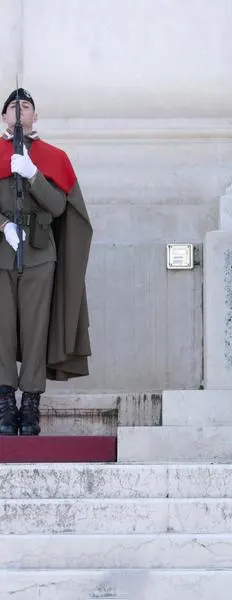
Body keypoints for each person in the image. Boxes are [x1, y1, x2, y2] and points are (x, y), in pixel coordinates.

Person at [0, 88, 92, 437]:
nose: (19, 112)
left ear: (35, 117)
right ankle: (5, 401)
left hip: (40, 252)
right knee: (3, 328)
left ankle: (31, 402)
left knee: (37, 329)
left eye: (26, 107)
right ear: (4, 117)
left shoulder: (53, 157)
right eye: (13, 107)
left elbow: (57, 208)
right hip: (3, 248)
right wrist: (4, 225)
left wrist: (33, 175)